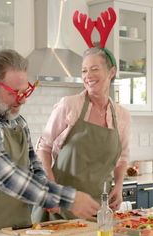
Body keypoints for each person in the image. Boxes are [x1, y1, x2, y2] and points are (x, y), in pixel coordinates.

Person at [0, 49, 100, 235]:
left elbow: (34, 168)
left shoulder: (16, 121)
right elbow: (9, 177)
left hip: (17, 233)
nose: (23, 100)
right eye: (14, 93)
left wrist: (49, 199)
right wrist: (69, 199)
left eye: (25, 91)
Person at [34, 44, 131, 221]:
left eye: (94, 69)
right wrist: (51, 187)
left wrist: (118, 185)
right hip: (62, 207)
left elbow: (122, 157)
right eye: (84, 71)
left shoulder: (122, 115)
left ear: (111, 72)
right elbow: (43, 147)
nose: (88, 76)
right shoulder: (70, 105)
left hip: (99, 209)